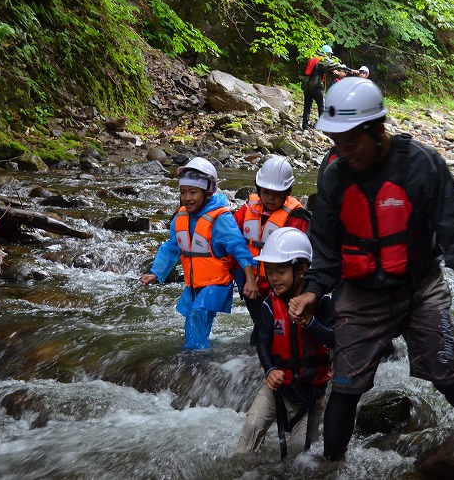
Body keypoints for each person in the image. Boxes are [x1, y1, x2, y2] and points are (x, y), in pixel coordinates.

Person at [288, 78, 454, 461]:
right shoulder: (334, 176)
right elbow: (327, 247)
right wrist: (312, 291)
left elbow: (453, 219)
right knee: (346, 386)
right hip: (361, 293)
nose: (344, 151)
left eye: (352, 142)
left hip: (420, 287)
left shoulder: (420, 163)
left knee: (445, 372)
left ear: (377, 129)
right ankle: (331, 467)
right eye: (337, 142)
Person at [236, 228, 334, 458]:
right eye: (269, 272)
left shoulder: (321, 305)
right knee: (250, 432)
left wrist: (310, 323)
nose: (274, 278)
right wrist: (269, 370)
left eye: (280, 271)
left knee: (301, 455)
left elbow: (335, 339)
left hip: (311, 394)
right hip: (277, 389)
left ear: (302, 270)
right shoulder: (270, 305)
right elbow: (262, 342)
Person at [141, 157, 256, 349]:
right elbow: (171, 247)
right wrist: (156, 273)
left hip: (217, 283)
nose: (187, 198)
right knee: (191, 319)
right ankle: (197, 353)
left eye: (193, 192)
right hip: (195, 284)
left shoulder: (221, 219)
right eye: (183, 192)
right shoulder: (181, 217)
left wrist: (250, 279)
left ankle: (195, 358)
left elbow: (239, 248)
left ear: (208, 192)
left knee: (198, 311)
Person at [234, 156, 310, 343]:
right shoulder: (247, 210)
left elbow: (303, 258)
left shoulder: (297, 217)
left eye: (277, 193)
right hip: (251, 282)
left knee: (278, 333)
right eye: (266, 192)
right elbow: (234, 242)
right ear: (259, 189)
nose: (270, 198)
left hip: (279, 285)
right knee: (262, 328)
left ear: (288, 191)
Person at [301, 45, 343, 130]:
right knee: (322, 105)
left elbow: (318, 69)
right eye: (329, 54)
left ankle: (305, 125)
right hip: (315, 86)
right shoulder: (322, 60)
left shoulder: (313, 58)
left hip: (306, 85)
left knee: (307, 106)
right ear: (326, 53)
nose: (329, 56)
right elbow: (328, 65)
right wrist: (344, 68)